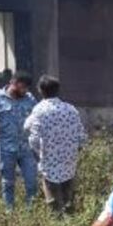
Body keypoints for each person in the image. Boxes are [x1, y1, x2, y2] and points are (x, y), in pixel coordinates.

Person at [23, 75, 86, 214]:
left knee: (52, 199)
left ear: (40, 90)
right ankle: (70, 223)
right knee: (68, 196)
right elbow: (82, 137)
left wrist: (39, 153)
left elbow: (33, 138)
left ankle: (57, 222)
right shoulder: (71, 109)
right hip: (69, 159)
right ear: (58, 90)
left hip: (49, 159)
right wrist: (74, 150)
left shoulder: (39, 110)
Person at [0, 72, 38, 208]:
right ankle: (9, 213)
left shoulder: (30, 99)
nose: (25, 91)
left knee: (32, 183)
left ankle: (32, 213)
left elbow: (37, 119)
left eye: (27, 88)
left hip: (27, 148)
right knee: (8, 183)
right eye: (22, 87)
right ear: (13, 83)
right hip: (6, 148)